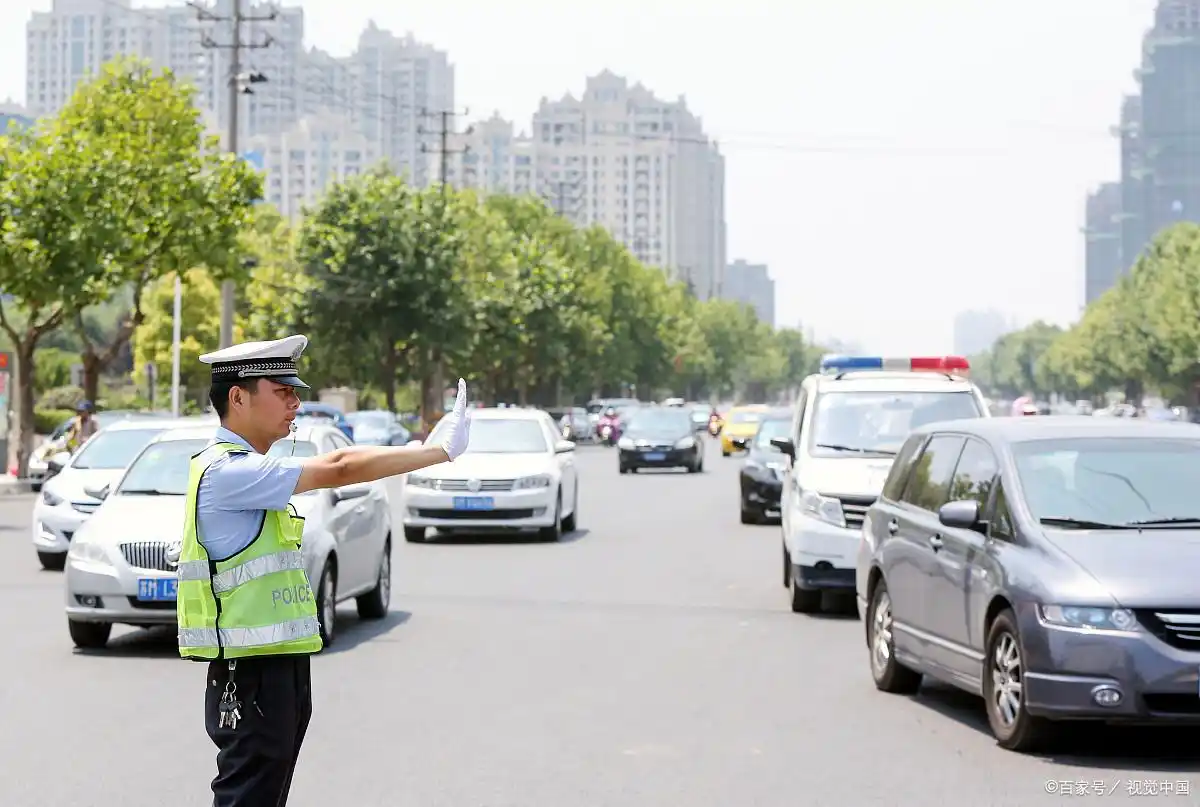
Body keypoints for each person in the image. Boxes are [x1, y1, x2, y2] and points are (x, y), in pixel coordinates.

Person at [172, 334, 472, 807]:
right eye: (282, 391)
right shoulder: (229, 472)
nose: (295, 403)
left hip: (277, 664)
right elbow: (339, 465)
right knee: (247, 796)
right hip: (250, 673)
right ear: (237, 397)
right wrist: (435, 452)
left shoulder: (251, 468)